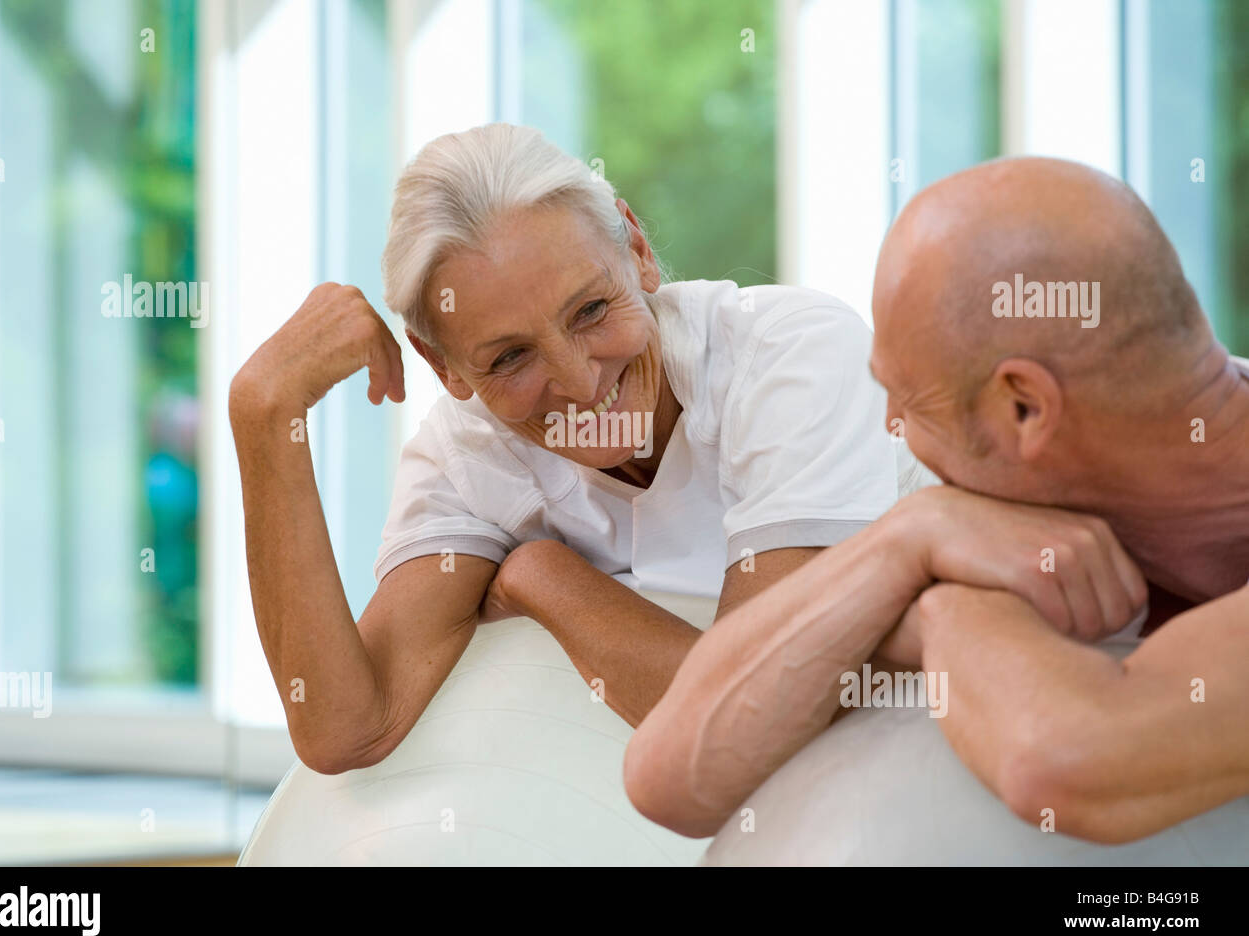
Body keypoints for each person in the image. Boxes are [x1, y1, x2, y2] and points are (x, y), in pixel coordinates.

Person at [227, 122, 932, 773]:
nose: (577, 381)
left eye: (591, 311)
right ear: (444, 368)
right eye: (508, 358)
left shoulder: (794, 354)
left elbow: (746, 720)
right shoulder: (466, 452)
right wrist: (263, 413)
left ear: (637, 249)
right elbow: (350, 727)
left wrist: (544, 576)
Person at [623, 156, 1249, 846]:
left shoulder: (999, 524)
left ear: (1023, 409)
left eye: (910, 402)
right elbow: (670, 776)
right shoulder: (1000, 508)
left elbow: (1069, 763)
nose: (891, 425)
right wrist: (911, 538)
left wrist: (948, 605)